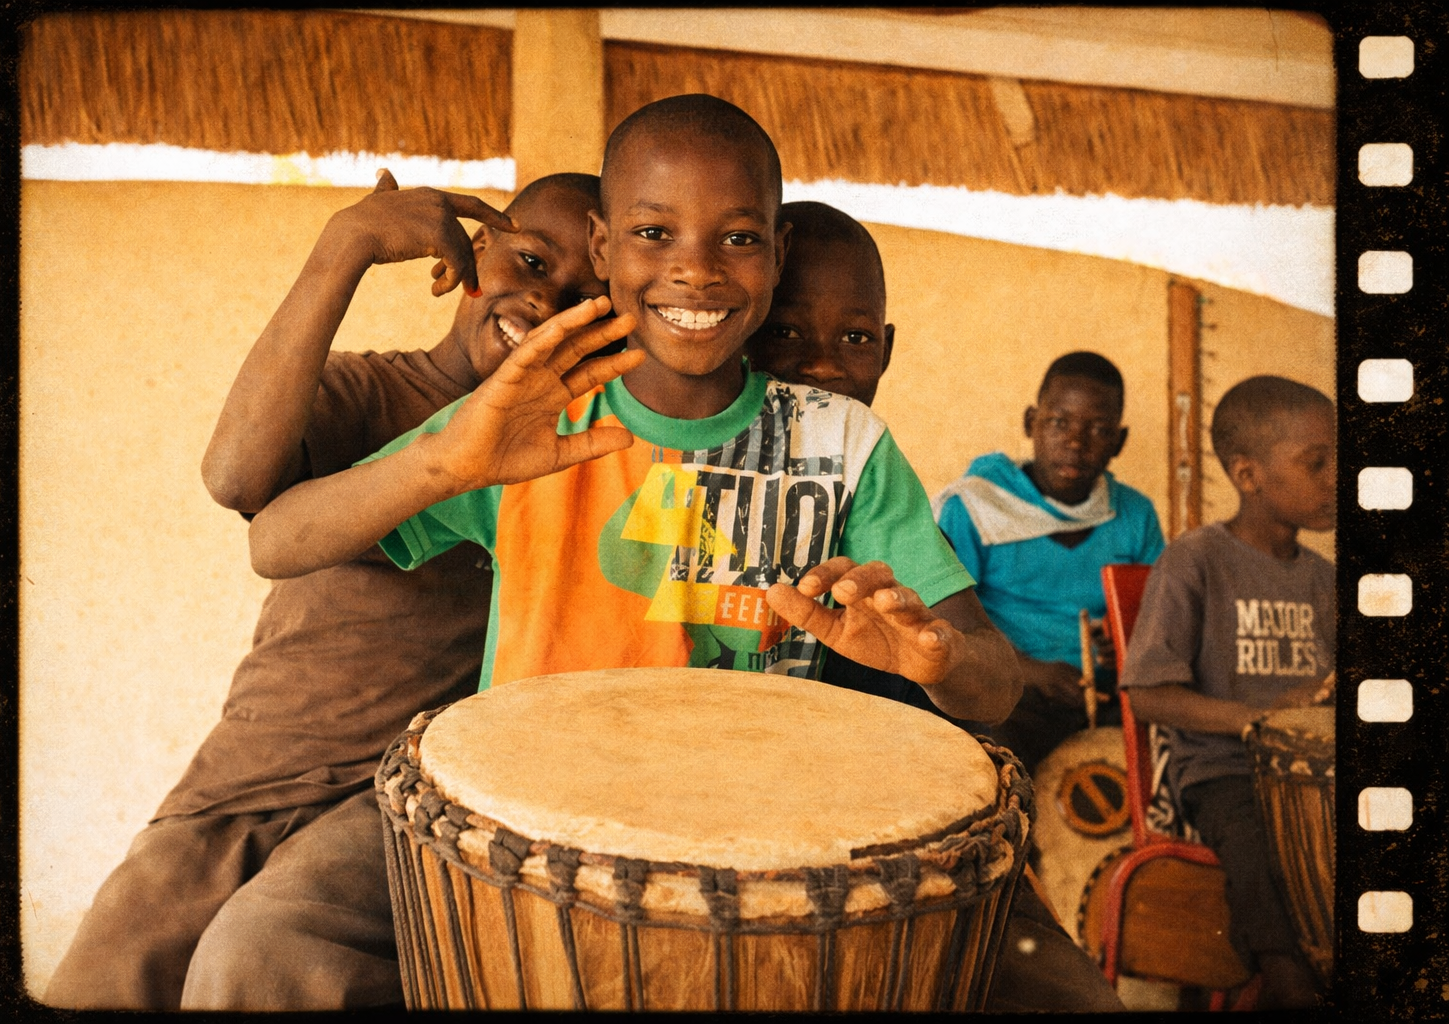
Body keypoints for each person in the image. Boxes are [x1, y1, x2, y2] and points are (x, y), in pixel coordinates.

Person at [249, 94, 1023, 727]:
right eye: (654, 233)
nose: (694, 269)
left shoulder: (845, 444)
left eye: (739, 238)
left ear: (778, 255)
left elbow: (996, 682)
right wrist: (444, 462)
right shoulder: (533, 412)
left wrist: (939, 660)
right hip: (532, 840)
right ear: (602, 246)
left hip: (748, 846)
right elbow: (276, 542)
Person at [45, 170, 609, 1010]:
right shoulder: (370, 392)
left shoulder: (588, 448)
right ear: (475, 249)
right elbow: (237, 478)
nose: (546, 302)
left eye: (585, 300)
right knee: (110, 969)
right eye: (530, 261)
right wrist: (343, 246)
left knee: (262, 962)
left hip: (400, 799)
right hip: (249, 779)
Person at [748, 199, 1123, 1014]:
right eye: (783, 334)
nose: (822, 365)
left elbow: (987, 684)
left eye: (854, 339)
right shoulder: (681, 457)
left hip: (894, 827)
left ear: (886, 349)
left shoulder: (881, 483)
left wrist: (942, 657)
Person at [1120, 375, 1335, 1009]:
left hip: (1312, 778)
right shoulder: (1195, 560)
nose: (1334, 479)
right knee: (1257, 844)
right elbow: (1149, 696)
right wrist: (1260, 720)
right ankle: (1287, 981)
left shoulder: (1325, 580)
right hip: (1221, 772)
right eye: (1316, 464)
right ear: (1248, 475)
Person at [933, 352, 1165, 773]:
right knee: (990, 758)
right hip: (1012, 690)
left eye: (1098, 430)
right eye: (1059, 422)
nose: (1076, 442)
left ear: (1119, 440)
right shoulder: (975, 507)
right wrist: (1034, 672)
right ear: (1030, 423)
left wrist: (1128, 647)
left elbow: (1154, 619)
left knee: (1170, 746)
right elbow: (946, 625)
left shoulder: (1135, 514)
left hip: (1110, 694)